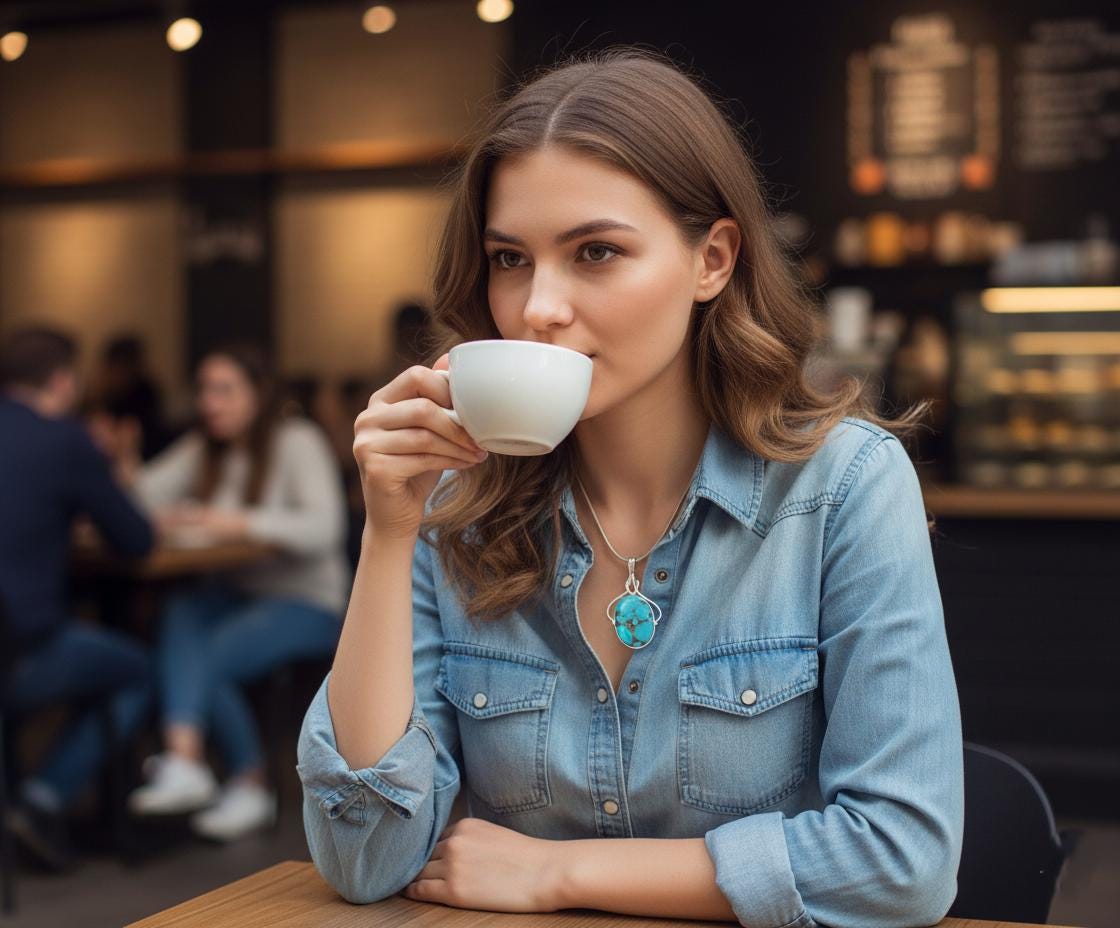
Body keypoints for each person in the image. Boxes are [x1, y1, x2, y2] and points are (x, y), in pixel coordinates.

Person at [298, 49, 963, 928]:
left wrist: (558, 876)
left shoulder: (842, 488)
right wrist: (387, 532)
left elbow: (901, 863)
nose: (539, 306)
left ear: (712, 261)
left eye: (596, 252)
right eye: (510, 258)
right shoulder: (452, 511)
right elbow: (363, 859)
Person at [122, 343, 350, 841]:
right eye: (204, 390)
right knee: (181, 609)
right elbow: (139, 493)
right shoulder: (206, 447)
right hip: (239, 594)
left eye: (224, 390)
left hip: (307, 600)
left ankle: (250, 781)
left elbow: (324, 529)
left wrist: (233, 523)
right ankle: (186, 760)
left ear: (258, 395)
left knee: (208, 654)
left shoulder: (297, 441)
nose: (210, 403)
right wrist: (131, 474)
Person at [0, 327, 154, 871]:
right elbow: (136, 538)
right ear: (63, 382)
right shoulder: (65, 440)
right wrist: (112, 465)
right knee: (140, 671)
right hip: (21, 656)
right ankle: (42, 800)